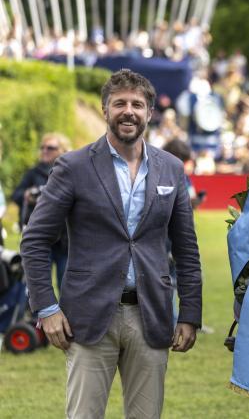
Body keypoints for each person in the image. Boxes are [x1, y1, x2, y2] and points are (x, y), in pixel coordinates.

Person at [20, 69, 203, 418]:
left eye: (137, 104)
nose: (128, 111)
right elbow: (34, 240)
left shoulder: (171, 169)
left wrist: (190, 313)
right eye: (119, 103)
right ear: (105, 110)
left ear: (150, 112)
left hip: (151, 316)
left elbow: (187, 250)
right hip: (87, 317)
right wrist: (46, 308)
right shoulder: (73, 166)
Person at [12, 132, 71, 290]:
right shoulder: (33, 173)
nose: (45, 150)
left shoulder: (69, 172)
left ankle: (66, 314)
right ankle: (31, 314)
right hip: (39, 238)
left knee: (65, 285)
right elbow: (16, 194)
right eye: (43, 147)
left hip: (64, 240)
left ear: (62, 150)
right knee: (35, 285)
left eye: (50, 147)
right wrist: (28, 195)